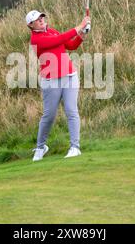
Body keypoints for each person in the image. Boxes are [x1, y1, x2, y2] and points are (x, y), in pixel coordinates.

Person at [26, 10, 90, 161]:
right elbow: (60, 39)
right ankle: (40, 147)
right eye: (37, 19)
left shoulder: (52, 31)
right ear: (30, 25)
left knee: (71, 111)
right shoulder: (36, 39)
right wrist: (80, 26)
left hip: (69, 76)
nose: (41, 20)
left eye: (42, 17)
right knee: (49, 115)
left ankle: (75, 147)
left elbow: (71, 45)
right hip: (51, 80)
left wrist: (82, 35)